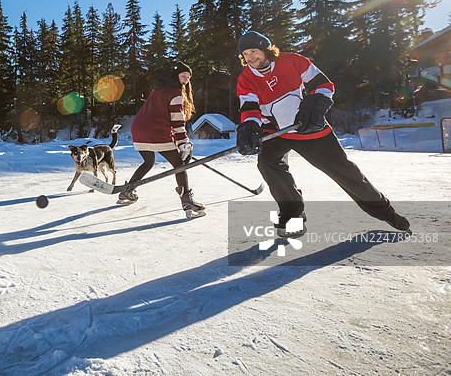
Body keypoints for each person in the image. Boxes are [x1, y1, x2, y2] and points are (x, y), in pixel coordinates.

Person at [234, 31, 410, 236]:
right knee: (268, 163)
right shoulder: (246, 77)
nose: (250, 58)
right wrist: (249, 128)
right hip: (276, 131)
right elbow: (249, 107)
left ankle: (385, 211)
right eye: (245, 54)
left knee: (344, 171)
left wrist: (314, 109)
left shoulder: (293, 61)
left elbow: (324, 85)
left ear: (266, 49)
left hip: (308, 127)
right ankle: (292, 215)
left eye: (254, 51)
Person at [118, 61, 204, 215]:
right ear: (175, 76)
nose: (186, 80)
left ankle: (127, 191)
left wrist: (179, 141)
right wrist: (183, 143)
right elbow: (177, 121)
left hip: (138, 130)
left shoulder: (159, 89)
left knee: (148, 161)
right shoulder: (174, 92)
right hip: (154, 131)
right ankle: (187, 199)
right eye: (184, 76)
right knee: (180, 165)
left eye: (188, 78)